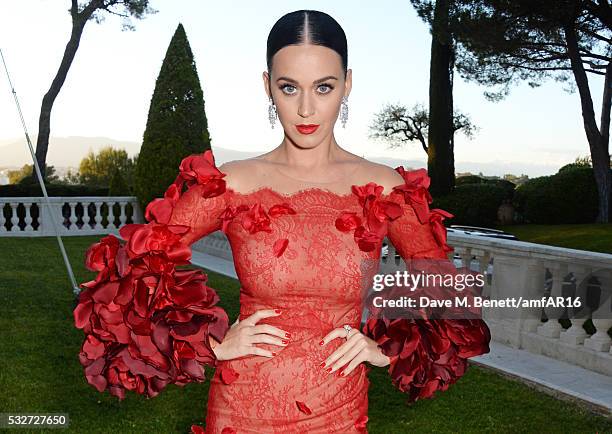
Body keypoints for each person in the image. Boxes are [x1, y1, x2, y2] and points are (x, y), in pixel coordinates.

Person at [73, 9, 491, 433]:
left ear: (347, 84)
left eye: (323, 87)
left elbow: (449, 297)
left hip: (339, 409)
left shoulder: (383, 188)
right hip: (242, 406)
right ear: (267, 86)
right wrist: (210, 343)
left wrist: (385, 349)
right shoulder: (232, 183)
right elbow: (131, 268)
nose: (306, 109)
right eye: (289, 87)